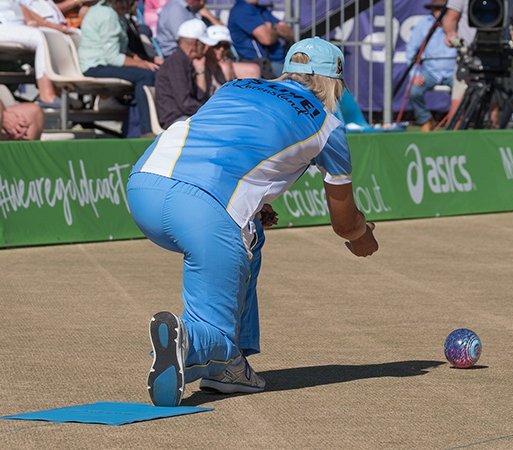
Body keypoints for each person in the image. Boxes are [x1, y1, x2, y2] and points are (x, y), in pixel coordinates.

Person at [127, 37, 379, 407]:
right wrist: (362, 237)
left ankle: (231, 366)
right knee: (210, 325)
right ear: (334, 84)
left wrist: (254, 204)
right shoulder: (328, 125)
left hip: (143, 185)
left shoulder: (237, 85)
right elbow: (344, 223)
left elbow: (223, 141)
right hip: (203, 209)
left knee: (252, 232)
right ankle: (192, 343)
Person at [78, 0, 158, 138]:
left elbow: (119, 47)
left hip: (103, 62)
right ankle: (146, 129)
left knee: (152, 72)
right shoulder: (107, 15)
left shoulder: (114, 14)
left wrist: (138, 59)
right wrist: (141, 64)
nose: (133, 5)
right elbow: (112, 57)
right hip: (95, 66)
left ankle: (146, 125)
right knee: (145, 75)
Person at [443, 0, 513, 128]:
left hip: (499, 60)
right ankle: (451, 146)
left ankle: (488, 146)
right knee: (458, 113)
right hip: (469, 60)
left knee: (493, 116)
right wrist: (450, 33)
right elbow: (450, 18)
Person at [0, 0, 74, 108]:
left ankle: (59, 91)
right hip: (3, 26)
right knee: (43, 38)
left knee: (61, 37)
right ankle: (46, 95)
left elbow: (21, 7)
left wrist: (32, 23)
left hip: (16, 25)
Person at [405, 0, 456, 132]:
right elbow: (411, 50)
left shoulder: (457, 23)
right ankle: (426, 120)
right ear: (431, 8)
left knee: (466, 93)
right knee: (413, 91)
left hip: (454, 72)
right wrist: (414, 75)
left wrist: (461, 69)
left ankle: (456, 123)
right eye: (436, 8)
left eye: (442, 8)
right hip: (431, 72)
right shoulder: (424, 24)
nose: (439, 11)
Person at [154, 19, 210, 129]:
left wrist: (200, 71)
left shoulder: (185, 61)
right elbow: (185, 104)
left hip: (185, 117)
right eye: (203, 44)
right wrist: (209, 111)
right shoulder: (176, 62)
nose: (206, 48)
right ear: (195, 43)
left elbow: (200, 97)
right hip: (176, 120)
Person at [227, 0, 294, 79]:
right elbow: (266, 39)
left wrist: (272, 27)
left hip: (279, 61)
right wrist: (278, 29)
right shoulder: (241, 9)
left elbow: (290, 34)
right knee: (302, 81)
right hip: (262, 65)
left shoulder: (261, 9)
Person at [155, 0, 222, 58]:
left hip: (193, 49)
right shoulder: (175, 8)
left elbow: (222, 31)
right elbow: (184, 41)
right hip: (176, 54)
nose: (202, 3)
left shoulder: (194, 8)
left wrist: (209, 15)